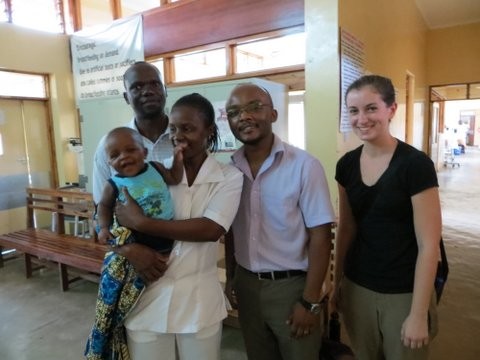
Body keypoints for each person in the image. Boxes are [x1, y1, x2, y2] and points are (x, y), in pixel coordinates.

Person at [111, 93, 243, 360]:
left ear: (209, 131)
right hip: (147, 298)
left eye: (188, 128)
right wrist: (128, 250)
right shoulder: (152, 174)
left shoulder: (229, 177)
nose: (178, 135)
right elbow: (115, 224)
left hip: (199, 303)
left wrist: (143, 222)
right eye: (173, 128)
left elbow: (210, 229)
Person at [224, 83, 336, 360]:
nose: (244, 117)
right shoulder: (230, 171)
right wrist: (231, 278)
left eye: (254, 107)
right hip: (247, 285)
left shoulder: (304, 166)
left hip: (292, 289)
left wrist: (310, 302)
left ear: (273, 115)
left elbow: (321, 236)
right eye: (234, 112)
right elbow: (228, 230)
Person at [333, 75, 441, 360]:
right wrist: (336, 285)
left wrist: (418, 314)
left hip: (403, 291)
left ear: (391, 109)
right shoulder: (345, 165)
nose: (361, 119)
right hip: (358, 287)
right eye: (353, 111)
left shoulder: (415, 165)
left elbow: (429, 244)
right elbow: (346, 228)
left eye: (371, 108)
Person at [85, 126, 184, 359]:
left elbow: (175, 177)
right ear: (109, 162)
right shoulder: (114, 184)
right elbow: (104, 208)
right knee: (133, 293)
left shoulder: (157, 169)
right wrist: (105, 229)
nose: (124, 157)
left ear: (145, 152)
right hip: (136, 242)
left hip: (165, 236)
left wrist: (178, 157)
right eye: (115, 155)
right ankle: (111, 333)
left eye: (130, 150)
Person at [92, 61, 172, 204]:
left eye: (155, 84)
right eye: (137, 87)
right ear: (126, 97)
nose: (148, 91)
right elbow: (101, 204)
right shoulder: (107, 145)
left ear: (165, 90)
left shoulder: (186, 140)